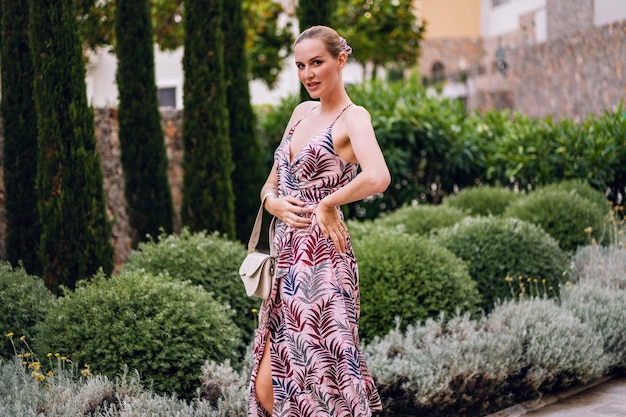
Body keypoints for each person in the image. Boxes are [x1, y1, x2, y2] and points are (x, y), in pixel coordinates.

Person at [249, 25, 391, 417]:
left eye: (317, 63)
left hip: (323, 263)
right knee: (270, 387)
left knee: (323, 380)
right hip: (285, 263)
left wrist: (329, 203)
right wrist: (272, 203)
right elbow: (271, 181)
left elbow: (378, 176)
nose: (308, 74)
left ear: (340, 61)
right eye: (300, 66)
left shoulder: (353, 118)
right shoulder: (300, 112)